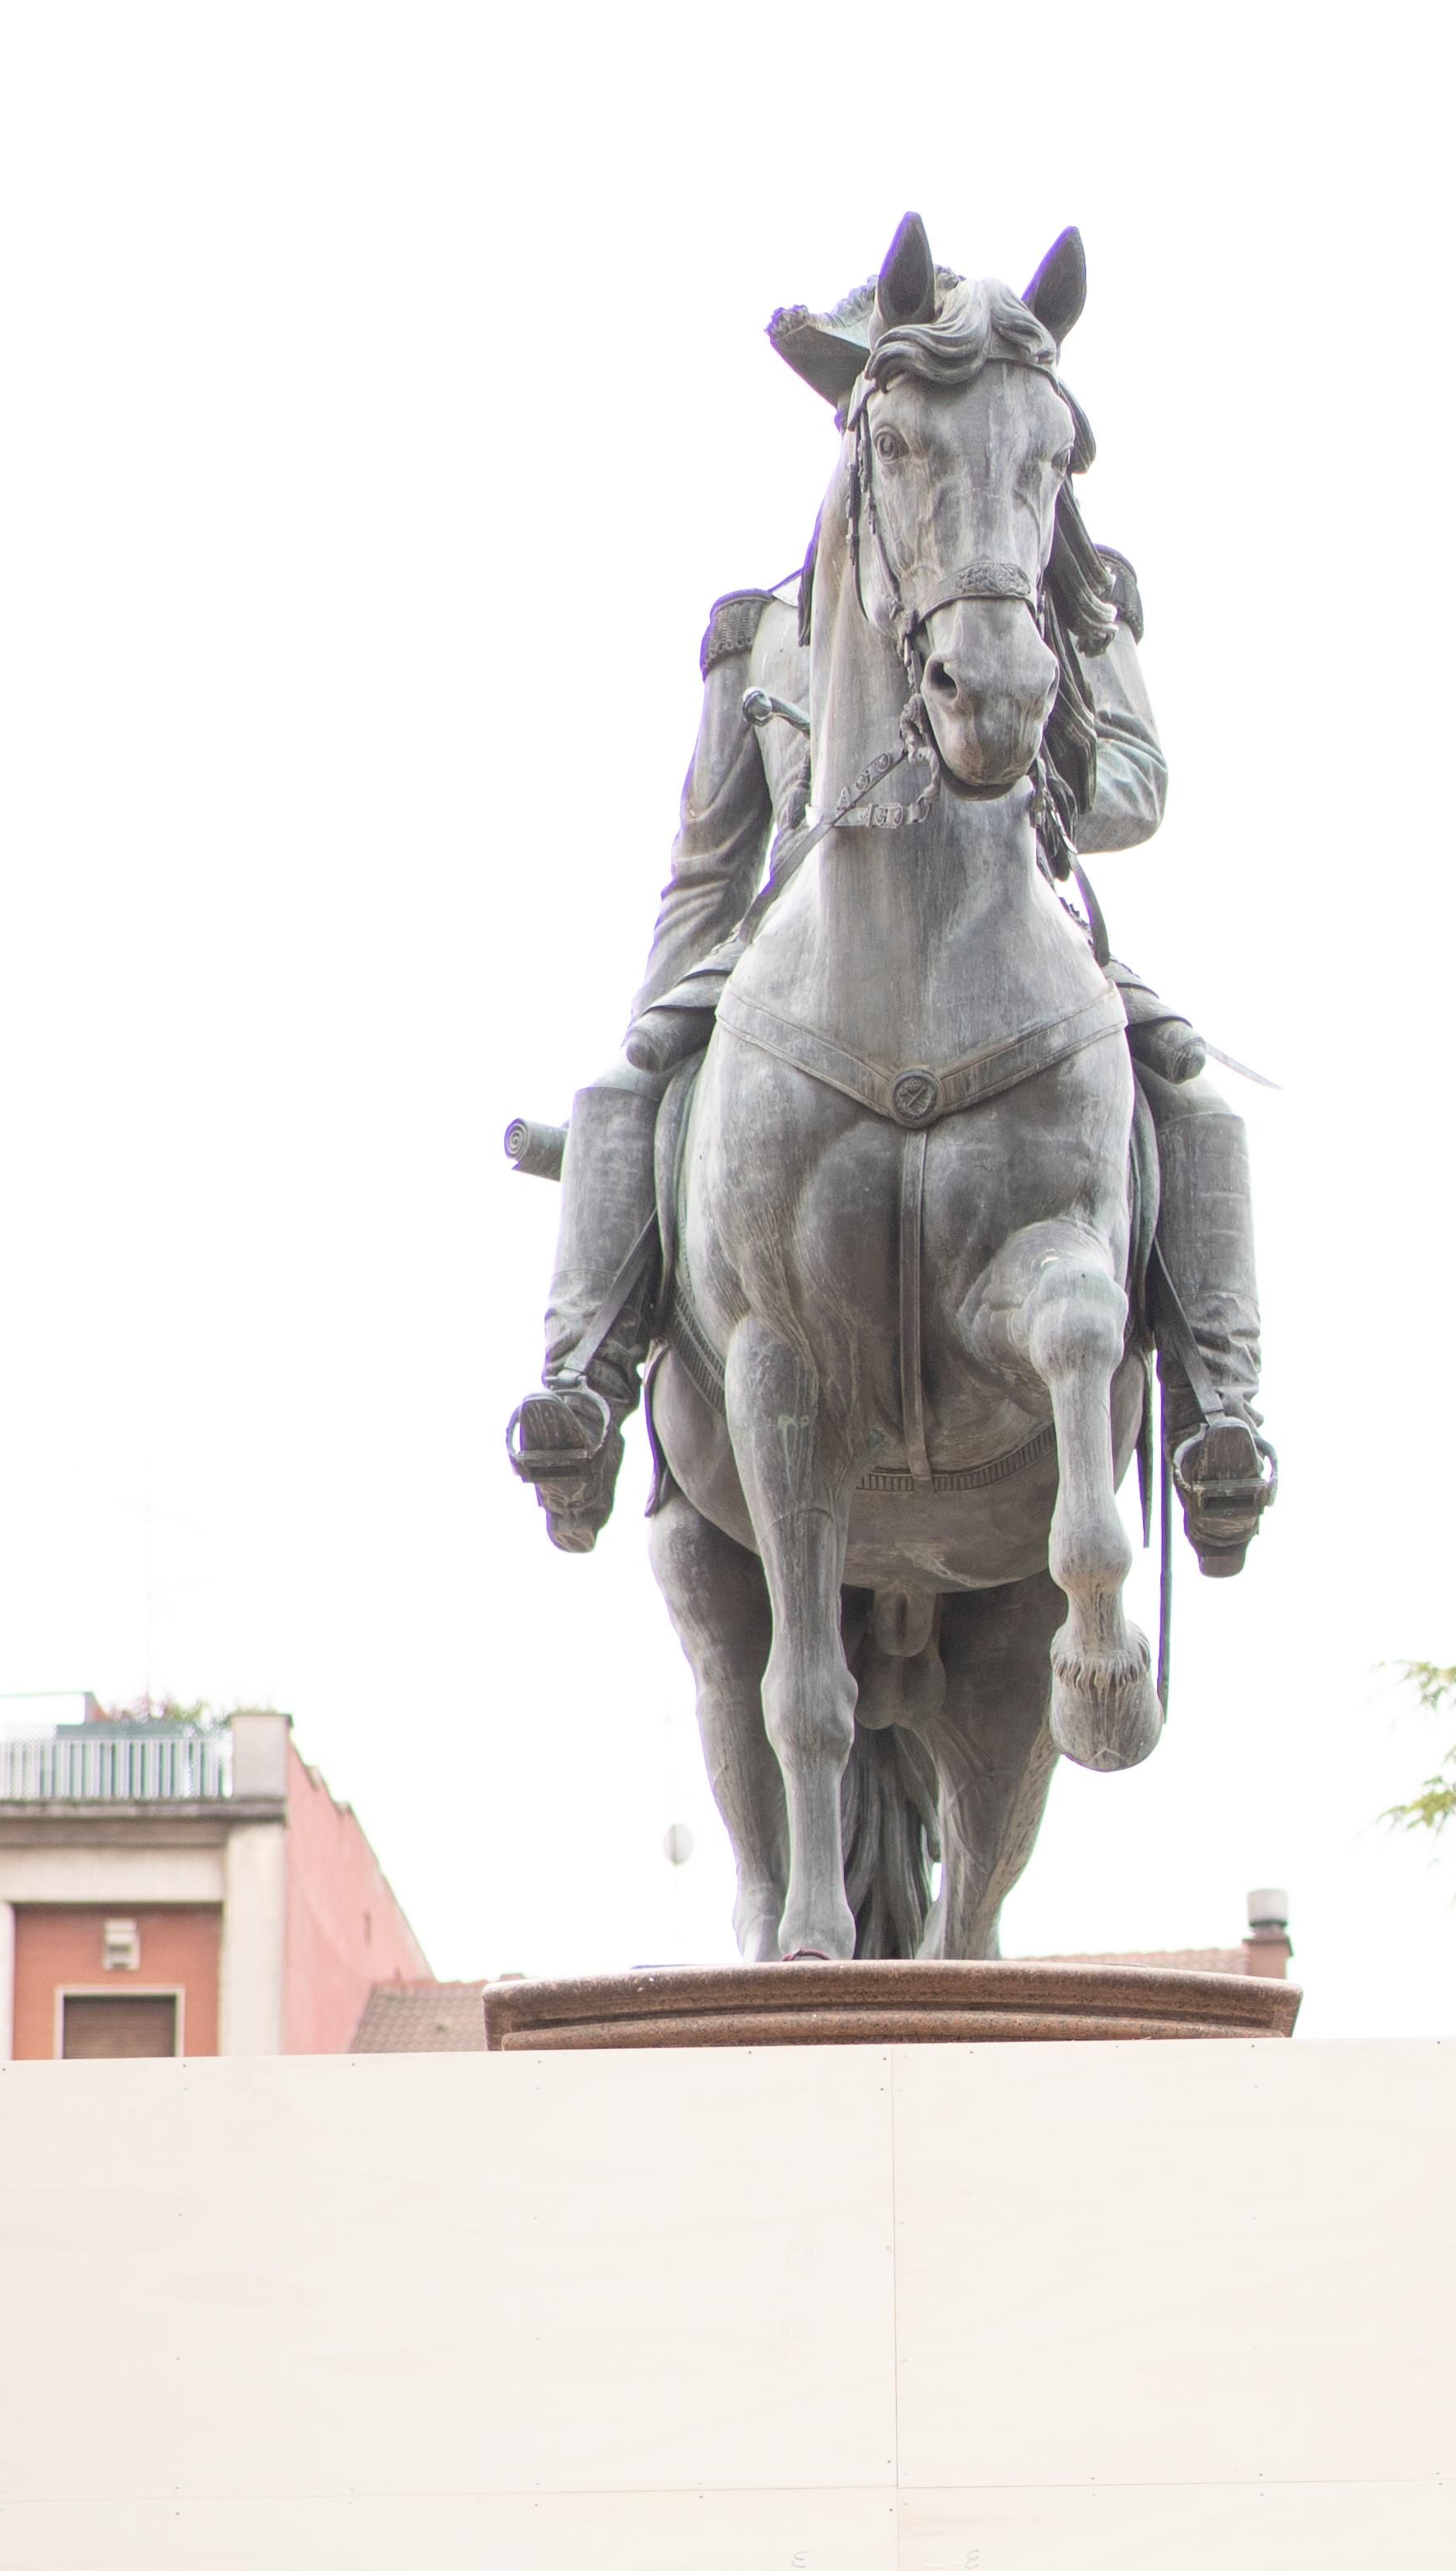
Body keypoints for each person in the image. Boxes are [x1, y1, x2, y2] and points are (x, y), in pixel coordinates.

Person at [505, 248, 1272, 1575]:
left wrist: (1039, 784)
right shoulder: (759, 633)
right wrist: (656, 1028)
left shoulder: (1060, 599)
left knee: (1189, 1096)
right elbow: (707, 867)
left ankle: (1220, 1416)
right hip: (800, 946)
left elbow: (1139, 782)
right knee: (627, 1088)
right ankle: (585, 1387)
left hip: (1015, 916)